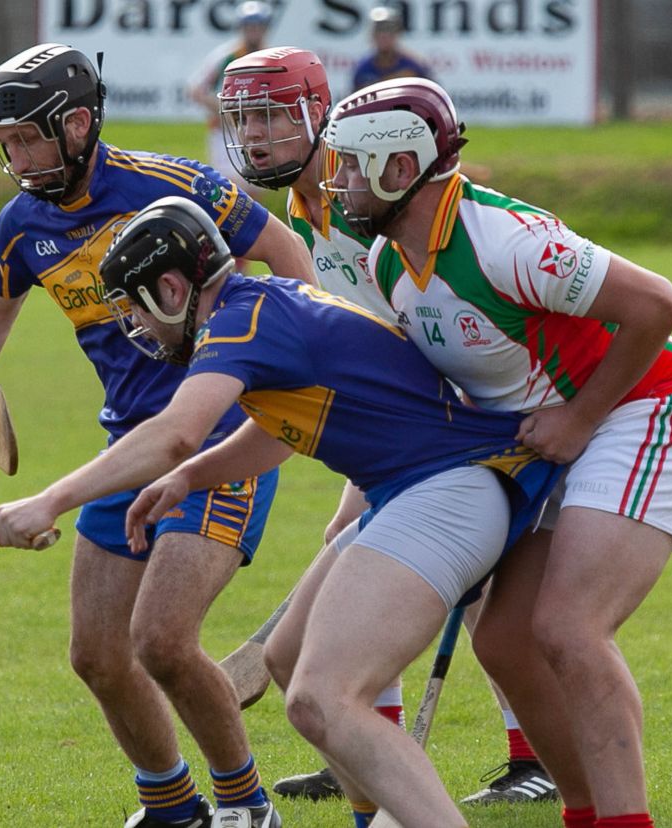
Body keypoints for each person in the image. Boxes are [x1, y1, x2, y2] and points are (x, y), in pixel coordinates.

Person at [0, 196, 561, 828]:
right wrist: (191, 477)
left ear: (173, 288)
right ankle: (374, 818)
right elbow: (279, 429)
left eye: (136, 308)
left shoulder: (238, 324)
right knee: (285, 659)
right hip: (419, 487)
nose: (139, 330)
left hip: (453, 487)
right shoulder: (261, 305)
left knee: (323, 700)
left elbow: (175, 430)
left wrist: (51, 499)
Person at [0, 43, 312, 828]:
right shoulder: (24, 223)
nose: (16, 157)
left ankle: (246, 808)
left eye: (28, 137)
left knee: (162, 640)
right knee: (97, 654)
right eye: (6, 143)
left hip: (222, 439)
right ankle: (171, 807)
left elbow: (282, 249)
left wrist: (305, 357)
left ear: (80, 123)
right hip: (130, 442)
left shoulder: (169, 187)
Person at [322, 77, 672, 828]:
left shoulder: (504, 242)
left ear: (403, 168)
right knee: (508, 642)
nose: (339, 181)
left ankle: (624, 819)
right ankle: (584, 812)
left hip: (652, 410)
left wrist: (578, 418)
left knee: (569, 629)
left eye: (352, 164)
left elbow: (657, 305)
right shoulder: (388, 262)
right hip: (558, 431)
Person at [217, 46, 558, 808]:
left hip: (469, 409)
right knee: (363, 570)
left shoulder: (371, 198)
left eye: (273, 116)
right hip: (397, 424)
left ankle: (530, 757)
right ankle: (362, 751)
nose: (259, 136)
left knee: (470, 593)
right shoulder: (298, 218)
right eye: (245, 121)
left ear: (316, 113)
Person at [188, 1, 274, 199]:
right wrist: (228, 111)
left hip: (258, 131)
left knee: (254, 189)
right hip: (225, 134)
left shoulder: (270, 58)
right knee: (229, 190)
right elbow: (196, 90)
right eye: (249, 26)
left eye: (258, 26)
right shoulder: (227, 57)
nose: (254, 31)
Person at [350, 6, 433, 94]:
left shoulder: (414, 66)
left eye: (389, 30)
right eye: (379, 30)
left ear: (397, 34)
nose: (384, 35)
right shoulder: (363, 69)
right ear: (372, 35)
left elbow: (432, 97)